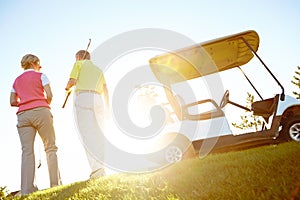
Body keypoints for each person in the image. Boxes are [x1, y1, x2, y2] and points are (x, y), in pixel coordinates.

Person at [10, 54, 61, 195]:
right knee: (50, 147)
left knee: (27, 152)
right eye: (39, 64)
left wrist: (26, 102)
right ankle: (55, 185)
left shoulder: (16, 81)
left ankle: (27, 190)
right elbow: (50, 95)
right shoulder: (41, 76)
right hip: (41, 111)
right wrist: (41, 103)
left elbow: (12, 101)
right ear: (35, 63)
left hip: (23, 115)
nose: (40, 67)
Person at [65, 50, 109, 179]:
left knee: (87, 135)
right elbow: (105, 89)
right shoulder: (98, 69)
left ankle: (97, 170)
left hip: (83, 97)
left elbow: (71, 82)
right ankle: (102, 168)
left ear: (78, 57)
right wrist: (108, 107)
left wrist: (67, 88)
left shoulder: (78, 64)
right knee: (100, 134)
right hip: (98, 99)